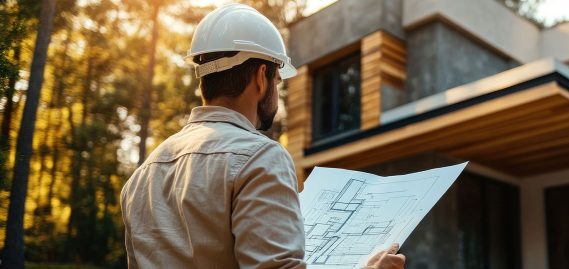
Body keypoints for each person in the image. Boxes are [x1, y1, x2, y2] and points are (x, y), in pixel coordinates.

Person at [120, 3, 406, 269]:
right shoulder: (259, 157)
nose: (277, 90)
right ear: (260, 76)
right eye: (277, 79)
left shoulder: (142, 176)